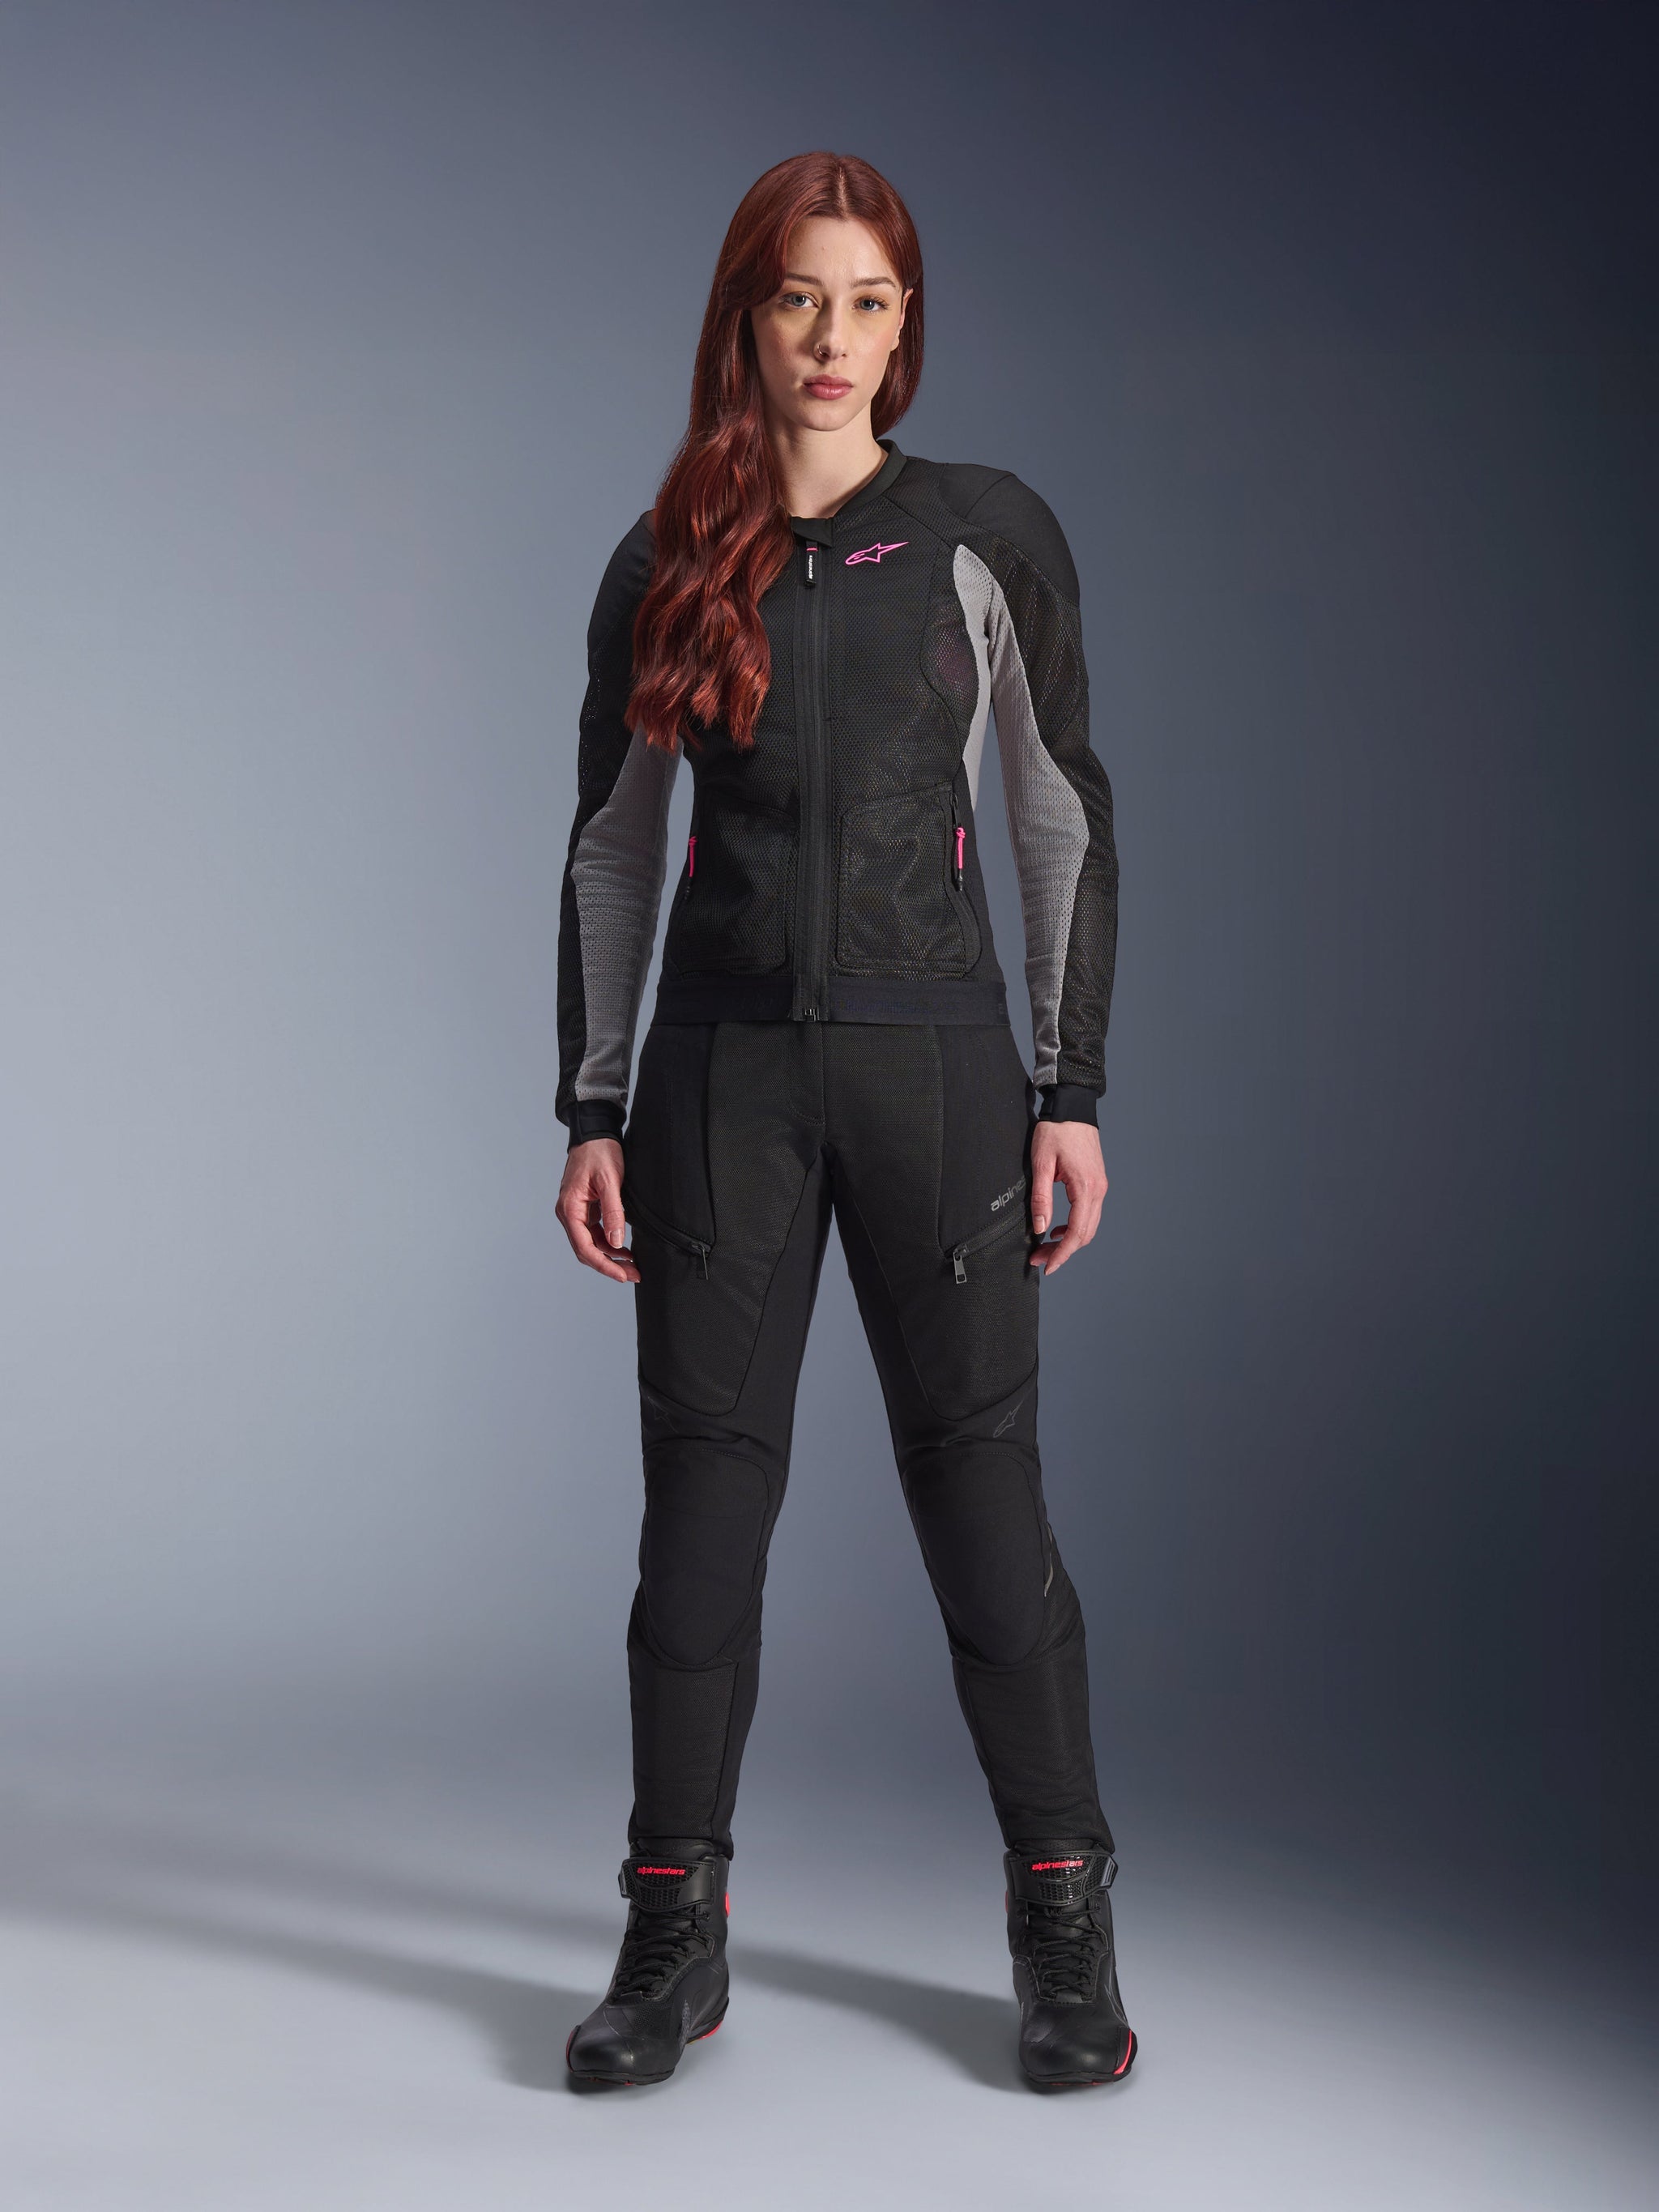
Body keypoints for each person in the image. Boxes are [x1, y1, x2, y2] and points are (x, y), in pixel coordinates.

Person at [554, 150, 1133, 2093]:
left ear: (906, 327)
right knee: (700, 1525)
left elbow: (1058, 818)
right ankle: (670, 1928)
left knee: (984, 1508)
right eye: (799, 296)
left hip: (935, 1073)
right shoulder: (665, 559)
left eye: (869, 301)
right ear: (746, 315)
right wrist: (591, 1102)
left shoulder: (982, 536)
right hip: (720, 1083)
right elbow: (612, 847)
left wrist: (1068, 1089)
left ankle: (1062, 1917)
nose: (833, 338)